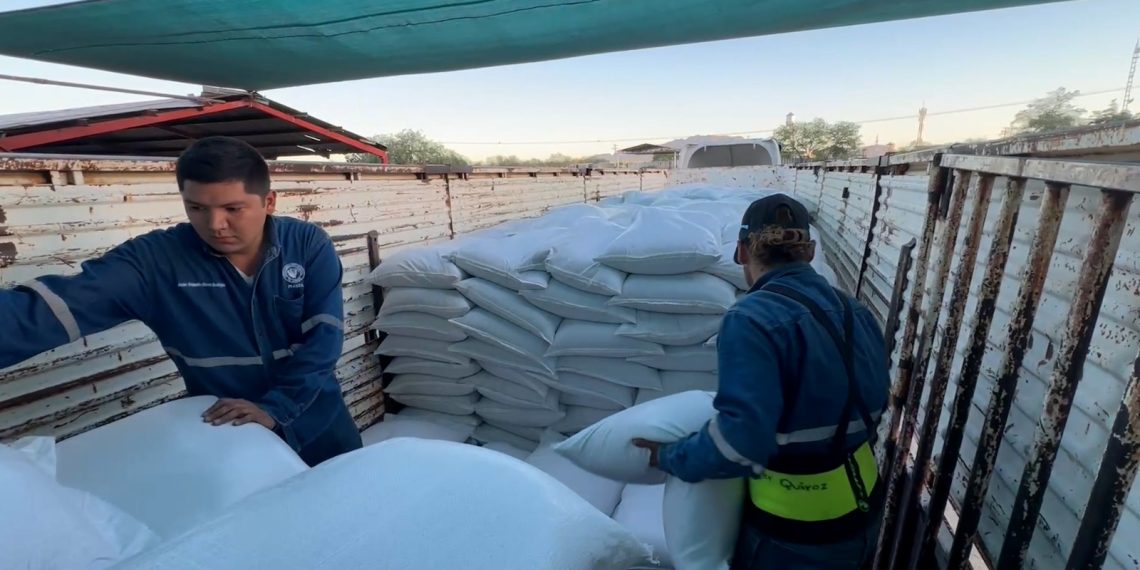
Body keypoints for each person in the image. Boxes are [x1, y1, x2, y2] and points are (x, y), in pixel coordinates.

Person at [0, 136, 363, 467]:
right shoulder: (156, 262)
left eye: (233, 209)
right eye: (197, 209)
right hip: (233, 437)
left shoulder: (306, 244)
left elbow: (324, 339)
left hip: (320, 422)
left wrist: (277, 408)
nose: (215, 224)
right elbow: (52, 309)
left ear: (268, 202)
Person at [633, 194, 889, 569]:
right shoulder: (855, 310)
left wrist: (669, 457)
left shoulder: (750, 318)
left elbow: (741, 442)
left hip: (794, 532)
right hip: (864, 513)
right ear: (809, 251)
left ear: (740, 251)